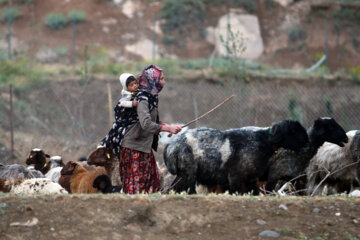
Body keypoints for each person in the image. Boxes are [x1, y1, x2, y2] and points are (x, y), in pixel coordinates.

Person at [119, 65, 182, 194]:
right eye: (161, 79)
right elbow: (146, 123)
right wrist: (167, 128)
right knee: (137, 187)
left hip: (143, 146)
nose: (164, 82)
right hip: (134, 147)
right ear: (152, 81)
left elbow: (147, 120)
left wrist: (166, 128)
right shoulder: (143, 98)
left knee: (152, 182)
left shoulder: (151, 97)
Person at [99, 73, 140, 156]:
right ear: (126, 87)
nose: (135, 86)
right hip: (124, 119)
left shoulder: (138, 92)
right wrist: (132, 104)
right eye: (131, 85)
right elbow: (122, 103)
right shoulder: (126, 94)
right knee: (118, 135)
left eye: (135, 83)